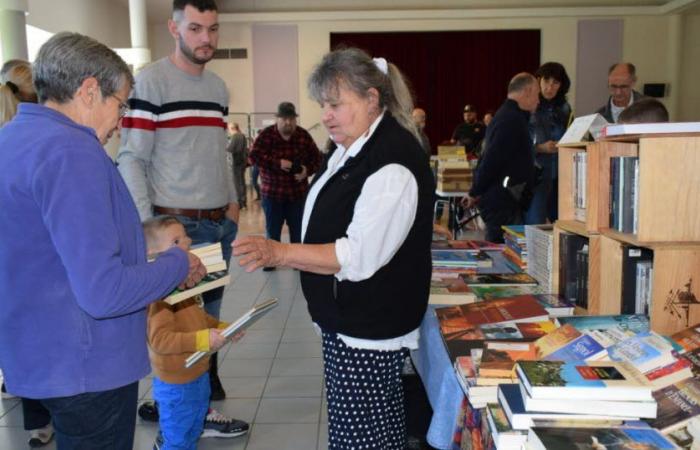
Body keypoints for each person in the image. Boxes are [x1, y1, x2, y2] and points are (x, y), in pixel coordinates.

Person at [0, 32, 207, 450]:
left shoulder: (12, 140)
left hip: (37, 355)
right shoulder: (72, 151)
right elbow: (103, 293)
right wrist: (177, 264)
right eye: (121, 103)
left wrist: (140, 249)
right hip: (86, 366)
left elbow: (44, 248)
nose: (122, 119)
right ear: (89, 91)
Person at [234, 48, 435, 450]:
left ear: (371, 99)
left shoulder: (391, 162)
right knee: (371, 429)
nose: (326, 114)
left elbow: (357, 256)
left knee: (363, 437)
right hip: (349, 322)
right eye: (323, 104)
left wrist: (280, 253)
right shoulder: (354, 146)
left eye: (335, 104)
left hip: (368, 327)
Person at [117, 0, 240, 405]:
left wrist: (234, 201)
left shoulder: (219, 87)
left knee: (210, 318)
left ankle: (203, 398)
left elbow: (219, 150)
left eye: (213, 29)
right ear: (174, 29)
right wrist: (148, 227)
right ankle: (174, 406)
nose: (206, 38)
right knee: (177, 324)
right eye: (195, 29)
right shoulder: (150, 83)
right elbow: (132, 158)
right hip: (177, 229)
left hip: (219, 222)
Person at [143, 216, 247, 449]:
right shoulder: (159, 296)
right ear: (152, 254)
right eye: (176, 241)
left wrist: (223, 329)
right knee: (178, 439)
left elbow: (198, 319)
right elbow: (160, 340)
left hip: (198, 375)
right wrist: (202, 340)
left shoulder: (184, 284)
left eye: (186, 237)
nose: (187, 242)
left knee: (193, 430)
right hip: (176, 384)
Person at [0, 59, 56, 449]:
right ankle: (44, 419)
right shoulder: (36, 142)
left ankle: (28, 404)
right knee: (43, 339)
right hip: (34, 263)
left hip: (11, 265)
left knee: (20, 338)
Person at [464, 73, 539, 243]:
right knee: (500, 258)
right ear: (527, 91)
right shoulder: (511, 119)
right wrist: (475, 191)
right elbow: (492, 160)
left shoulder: (509, 116)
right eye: (536, 94)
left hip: (504, 199)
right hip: (502, 201)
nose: (538, 100)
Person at [248, 101, 321, 266]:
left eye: (291, 119)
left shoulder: (303, 136)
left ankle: (297, 262)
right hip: (273, 194)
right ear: (277, 119)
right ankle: (271, 261)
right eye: (284, 119)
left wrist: (306, 170)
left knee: (298, 230)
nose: (288, 122)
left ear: (295, 119)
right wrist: (278, 163)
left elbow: (318, 159)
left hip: (298, 195)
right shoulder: (266, 135)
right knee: (272, 231)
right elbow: (253, 157)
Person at [525, 62, 574, 224]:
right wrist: (539, 148)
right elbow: (515, 144)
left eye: (555, 83)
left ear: (562, 86)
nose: (550, 87)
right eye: (546, 81)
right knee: (534, 223)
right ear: (538, 81)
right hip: (535, 175)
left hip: (562, 176)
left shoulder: (565, 108)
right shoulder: (529, 106)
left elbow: (573, 137)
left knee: (560, 224)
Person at [227, 122, 248, 208]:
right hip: (242, 162)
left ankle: (240, 202)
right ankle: (243, 202)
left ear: (232, 128)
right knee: (241, 182)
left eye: (228, 128)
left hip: (237, 162)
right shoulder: (242, 136)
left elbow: (230, 149)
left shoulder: (235, 136)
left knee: (237, 183)